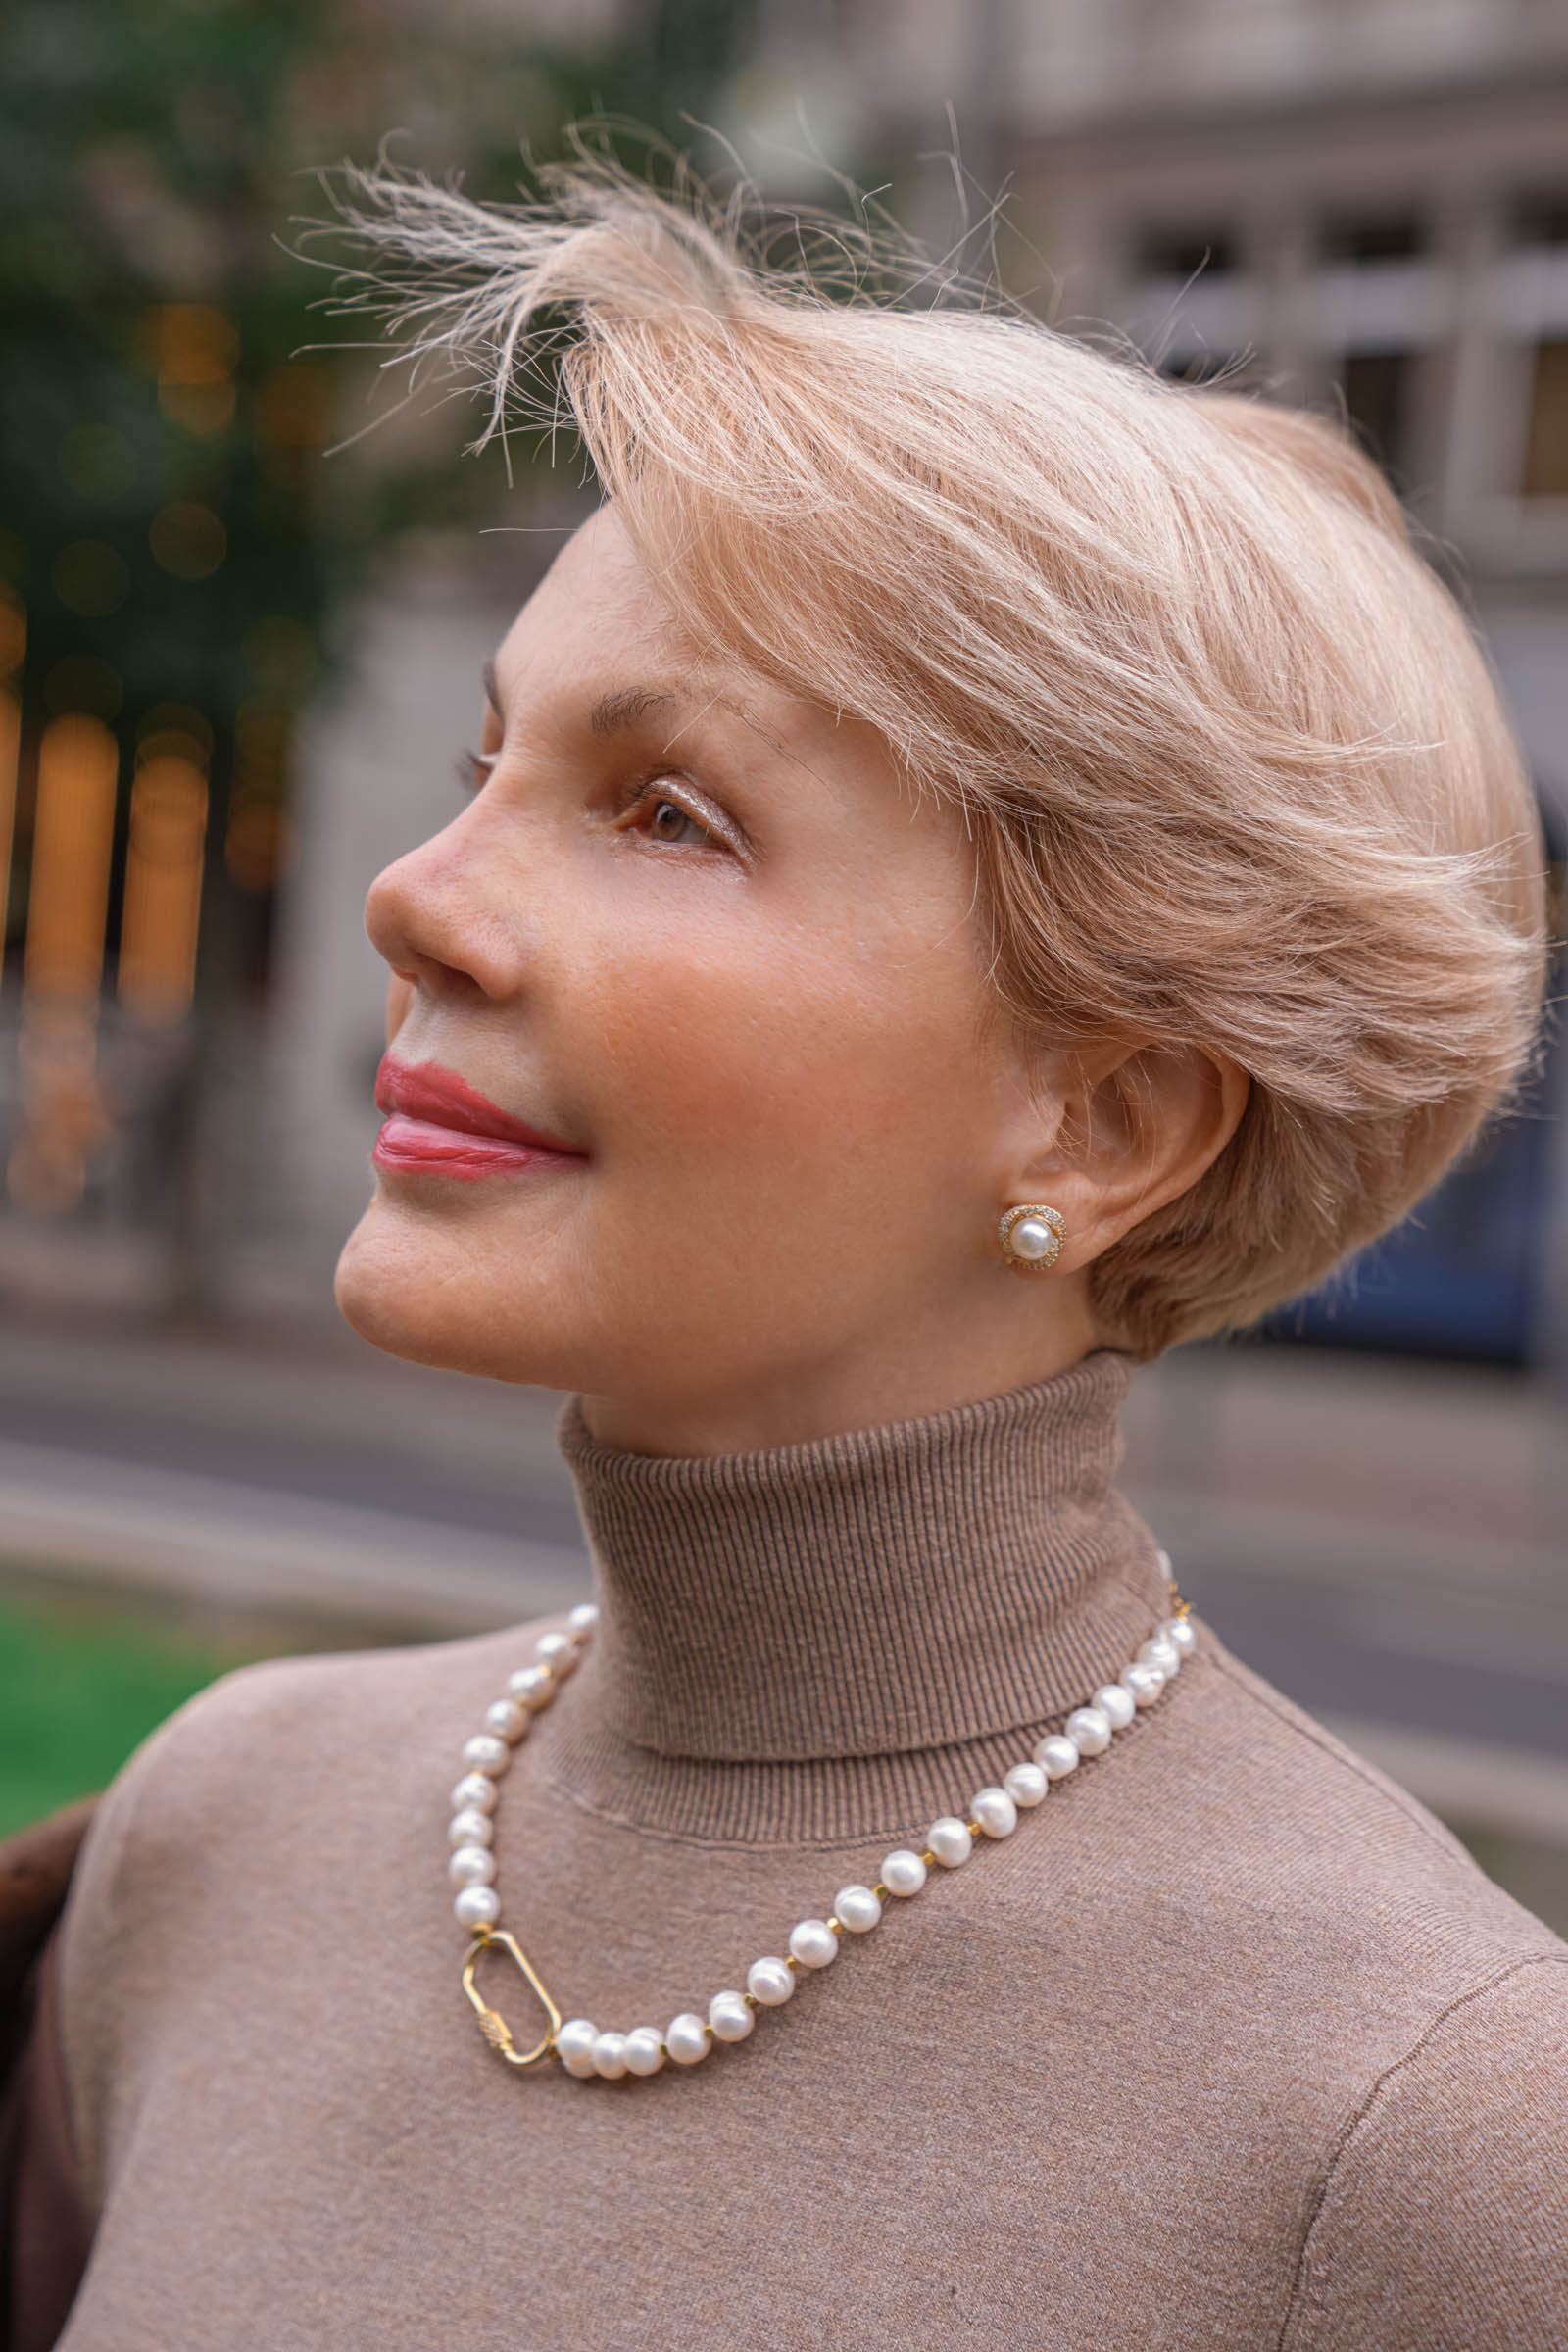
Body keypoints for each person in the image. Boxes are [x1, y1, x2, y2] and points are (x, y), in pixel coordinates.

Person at [4, 157, 1566, 2350]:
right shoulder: (208, 1842)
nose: (413, 895)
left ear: (1103, 1117)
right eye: (486, 760)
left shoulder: (1436, 2132)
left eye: (667, 813)